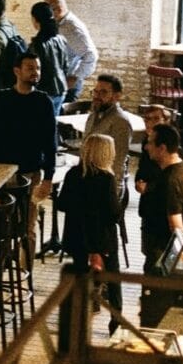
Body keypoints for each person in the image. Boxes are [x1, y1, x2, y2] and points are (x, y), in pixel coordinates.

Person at [0, 51, 57, 253]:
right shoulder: (0, 99)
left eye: (38, 68)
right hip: (1, 173)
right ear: (17, 71)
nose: (35, 72)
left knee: (28, 227)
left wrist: (48, 177)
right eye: (30, 68)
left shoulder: (43, 102)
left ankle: (25, 270)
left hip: (31, 172)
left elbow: (50, 143)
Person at [58, 133, 122, 329]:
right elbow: (114, 214)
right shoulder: (106, 179)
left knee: (80, 275)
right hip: (102, 239)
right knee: (113, 278)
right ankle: (116, 320)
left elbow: (62, 204)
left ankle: (81, 316)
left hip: (78, 236)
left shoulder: (73, 174)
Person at [139, 122, 183, 328]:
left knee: (154, 307)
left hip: (161, 255)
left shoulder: (170, 180)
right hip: (163, 253)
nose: (146, 147)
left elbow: (176, 226)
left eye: (150, 143)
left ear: (162, 148)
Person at [44, 0, 98, 103]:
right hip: (60, 82)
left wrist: (75, 78)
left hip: (68, 85)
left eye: (48, 11)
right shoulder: (60, 24)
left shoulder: (71, 27)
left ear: (58, 10)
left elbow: (91, 55)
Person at [83, 73, 135, 182]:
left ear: (117, 96)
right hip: (88, 175)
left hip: (105, 182)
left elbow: (118, 162)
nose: (97, 96)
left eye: (103, 92)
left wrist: (111, 187)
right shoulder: (93, 115)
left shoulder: (120, 121)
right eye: (95, 91)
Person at [28, 0, 70, 118]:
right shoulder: (61, 39)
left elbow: (35, 72)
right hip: (61, 88)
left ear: (35, 20)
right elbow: (66, 66)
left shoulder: (37, 44)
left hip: (45, 91)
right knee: (53, 123)